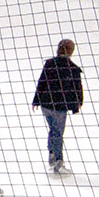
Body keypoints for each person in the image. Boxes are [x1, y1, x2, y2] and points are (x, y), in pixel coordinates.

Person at [30, 39, 83, 175]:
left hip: (46, 104)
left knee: (53, 129)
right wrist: (77, 104)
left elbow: (42, 82)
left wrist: (36, 100)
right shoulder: (73, 69)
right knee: (58, 132)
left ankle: (52, 155)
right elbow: (77, 89)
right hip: (60, 106)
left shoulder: (49, 64)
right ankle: (58, 161)